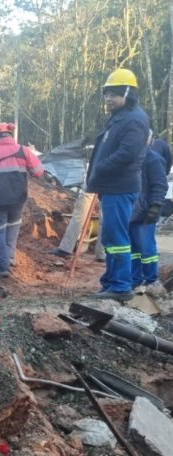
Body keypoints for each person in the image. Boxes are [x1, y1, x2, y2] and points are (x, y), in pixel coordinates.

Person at [86, 68, 150, 301]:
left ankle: (121, 286)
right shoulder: (120, 117)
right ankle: (112, 282)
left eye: (113, 94)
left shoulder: (134, 119)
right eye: (106, 94)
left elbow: (127, 153)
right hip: (112, 187)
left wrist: (101, 167)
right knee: (112, 238)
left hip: (120, 187)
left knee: (117, 238)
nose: (108, 99)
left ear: (128, 92)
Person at [0, 122, 44, 277]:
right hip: (18, 198)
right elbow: (38, 172)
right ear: (10, 135)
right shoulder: (23, 150)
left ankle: (3, 267)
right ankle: (9, 257)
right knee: (13, 225)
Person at [129, 135, 168, 288]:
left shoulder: (153, 159)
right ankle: (135, 279)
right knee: (133, 249)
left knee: (146, 248)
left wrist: (155, 207)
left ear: (149, 140)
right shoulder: (133, 158)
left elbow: (160, 185)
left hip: (145, 211)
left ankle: (151, 280)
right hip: (132, 210)